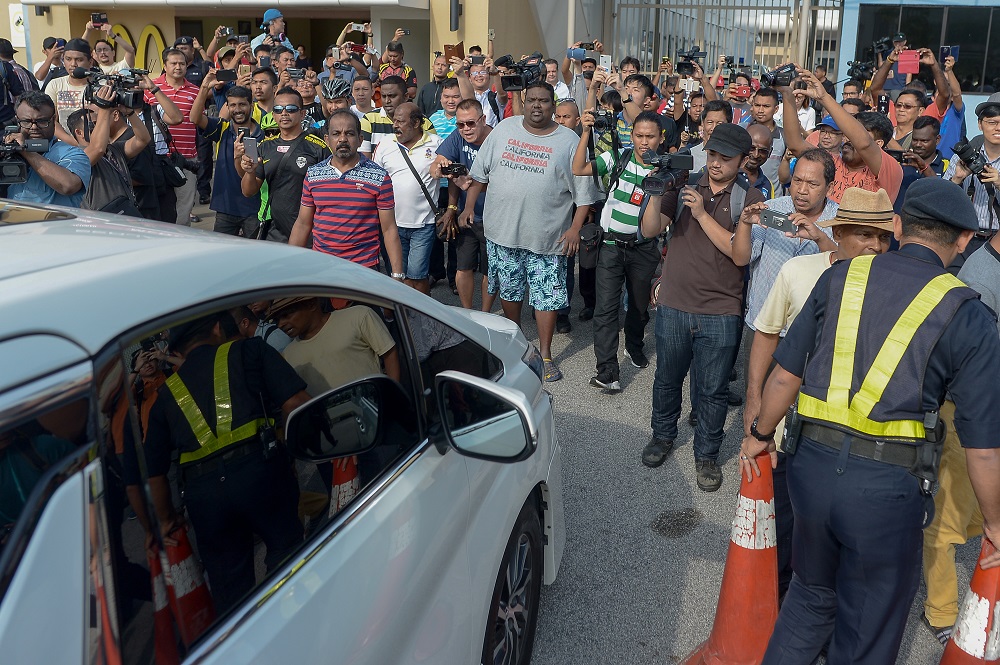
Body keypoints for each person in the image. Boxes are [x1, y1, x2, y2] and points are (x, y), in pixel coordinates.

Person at [740, 176, 1000, 664]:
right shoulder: (967, 313)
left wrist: (757, 436)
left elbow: (783, 378)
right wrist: (996, 524)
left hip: (809, 471)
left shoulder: (840, 277)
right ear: (966, 239)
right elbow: (983, 446)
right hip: (886, 492)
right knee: (866, 629)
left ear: (898, 225)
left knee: (808, 597)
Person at [743, 186, 894, 601]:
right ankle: (776, 603)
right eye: (865, 234)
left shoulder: (899, 291)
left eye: (882, 237)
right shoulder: (800, 273)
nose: (875, 246)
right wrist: (756, 409)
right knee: (786, 524)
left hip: (860, 445)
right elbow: (767, 338)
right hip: (793, 430)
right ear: (841, 232)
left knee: (841, 544)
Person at [143, 311, 309, 613]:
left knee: (232, 591)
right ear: (217, 327)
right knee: (287, 557)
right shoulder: (249, 350)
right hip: (261, 473)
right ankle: (295, 615)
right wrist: (291, 451)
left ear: (177, 351)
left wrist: (167, 518)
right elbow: (297, 404)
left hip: (205, 498)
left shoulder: (166, 395)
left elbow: (153, 472)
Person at [638, 123, 766, 491]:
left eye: (725, 159)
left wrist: (701, 215)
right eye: (711, 155)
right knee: (666, 379)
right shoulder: (682, 183)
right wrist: (654, 190)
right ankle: (662, 437)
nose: (715, 164)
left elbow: (740, 255)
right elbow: (650, 230)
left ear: (743, 161)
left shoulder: (750, 195)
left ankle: (706, 455)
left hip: (722, 310)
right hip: (675, 302)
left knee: (712, 391)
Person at [460, 81, 600, 382]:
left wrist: (576, 229)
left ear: (553, 105)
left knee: (545, 298)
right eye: (532, 100)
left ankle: (546, 354)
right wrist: (468, 207)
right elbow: (479, 176)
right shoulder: (504, 129)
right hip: (503, 234)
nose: (537, 106)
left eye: (544, 101)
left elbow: (584, 195)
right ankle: (519, 344)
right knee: (510, 292)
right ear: (524, 101)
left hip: (548, 239)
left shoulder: (569, 141)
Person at [922, 215, 1000, 644]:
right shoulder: (981, 277)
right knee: (945, 525)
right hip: (971, 417)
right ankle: (941, 612)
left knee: (977, 514)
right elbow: (971, 369)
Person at [572, 110, 664, 392]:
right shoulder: (617, 157)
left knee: (637, 307)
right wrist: (586, 132)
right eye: (639, 135)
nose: (644, 142)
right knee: (606, 309)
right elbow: (579, 168)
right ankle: (608, 371)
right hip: (610, 246)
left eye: (650, 137)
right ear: (631, 135)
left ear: (661, 138)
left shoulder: (665, 170)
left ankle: (634, 347)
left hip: (644, 249)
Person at [288, 109, 404, 280]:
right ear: (327, 140)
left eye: (349, 133)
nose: (342, 139)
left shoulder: (379, 177)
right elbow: (303, 224)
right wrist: (290, 266)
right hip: (322, 268)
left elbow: (389, 229)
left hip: (364, 269)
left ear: (360, 139)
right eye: (336, 133)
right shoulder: (313, 174)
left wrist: (397, 274)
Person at [780, 65, 903, 205]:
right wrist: (787, 93)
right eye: (847, 132)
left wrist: (824, 97)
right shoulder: (832, 162)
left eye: (856, 132)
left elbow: (864, 144)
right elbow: (795, 144)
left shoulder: (890, 170)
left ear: (879, 144)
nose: (848, 137)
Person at [239, 87, 330, 242]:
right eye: (279, 109)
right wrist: (250, 172)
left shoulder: (318, 148)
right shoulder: (264, 147)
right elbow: (248, 192)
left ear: (302, 114)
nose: (284, 113)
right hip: (275, 231)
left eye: (291, 109)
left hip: (310, 231)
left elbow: (329, 195)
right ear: (273, 114)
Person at [372, 103, 442, 294]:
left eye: (401, 121)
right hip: (391, 226)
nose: (395, 125)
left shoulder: (436, 143)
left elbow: (450, 178)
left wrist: (452, 207)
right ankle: (404, 320)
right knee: (399, 277)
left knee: (418, 277)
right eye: (394, 120)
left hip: (424, 225)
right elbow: (375, 181)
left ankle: (426, 317)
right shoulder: (385, 145)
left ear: (417, 122)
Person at [433, 98, 495, 311]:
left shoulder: (496, 138)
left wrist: (471, 184)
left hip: (494, 217)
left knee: (490, 272)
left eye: (471, 123)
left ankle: (486, 314)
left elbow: (505, 181)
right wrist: (444, 169)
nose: (466, 129)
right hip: (467, 216)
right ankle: (469, 314)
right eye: (461, 124)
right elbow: (435, 168)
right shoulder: (457, 137)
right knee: (463, 267)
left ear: (483, 119)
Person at [271, 297, 400, 393]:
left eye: (286, 315)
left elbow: (389, 353)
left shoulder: (359, 316)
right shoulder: (288, 355)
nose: (280, 324)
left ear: (311, 304)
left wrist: (393, 397)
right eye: (277, 320)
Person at [192, 76, 262, 237]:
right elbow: (194, 118)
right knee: (221, 256)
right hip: (225, 207)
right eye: (232, 105)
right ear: (227, 107)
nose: (237, 109)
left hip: (254, 208)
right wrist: (204, 88)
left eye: (242, 104)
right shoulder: (221, 127)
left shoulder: (264, 135)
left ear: (251, 105)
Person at [67, 84, 150, 214]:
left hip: (126, 214)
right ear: (79, 132)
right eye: (95, 124)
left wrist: (130, 113)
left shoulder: (114, 149)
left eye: (101, 122)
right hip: (100, 222)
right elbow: (97, 149)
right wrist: (104, 108)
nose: (102, 126)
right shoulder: (76, 157)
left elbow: (143, 139)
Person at [146, 48, 202, 225]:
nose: (178, 67)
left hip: (186, 157)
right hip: (157, 158)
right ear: (165, 65)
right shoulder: (150, 87)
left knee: (183, 211)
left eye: (182, 63)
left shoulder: (195, 90)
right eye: (173, 63)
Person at [943, 95, 1000, 268]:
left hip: (997, 241)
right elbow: (943, 200)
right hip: (963, 238)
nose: (998, 128)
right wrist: (957, 178)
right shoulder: (961, 158)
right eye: (992, 122)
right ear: (979, 124)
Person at [4, 91, 90, 206]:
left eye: (42, 121)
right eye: (26, 122)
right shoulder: (8, 152)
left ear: (54, 120)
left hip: (56, 223)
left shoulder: (72, 153)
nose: (34, 127)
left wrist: (27, 152)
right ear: (17, 121)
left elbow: (68, 186)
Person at [896, 116, 948, 213]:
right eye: (915, 140)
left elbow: (945, 195)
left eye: (924, 141)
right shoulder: (901, 164)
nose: (918, 145)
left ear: (937, 140)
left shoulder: (948, 166)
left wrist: (925, 168)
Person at [43, 38, 91, 133]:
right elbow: (51, 120)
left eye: (79, 60)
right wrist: (73, 143)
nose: (73, 64)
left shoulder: (101, 85)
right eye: (68, 59)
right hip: (64, 144)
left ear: (90, 62)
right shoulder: (55, 84)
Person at [749, 87, 785, 188]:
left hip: (773, 197)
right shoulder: (742, 130)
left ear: (776, 109)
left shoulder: (784, 136)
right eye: (757, 105)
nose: (760, 110)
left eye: (766, 106)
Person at [743, 124, 775, 199]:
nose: (756, 155)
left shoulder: (767, 185)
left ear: (770, 152)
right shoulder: (729, 176)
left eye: (762, 151)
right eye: (751, 148)